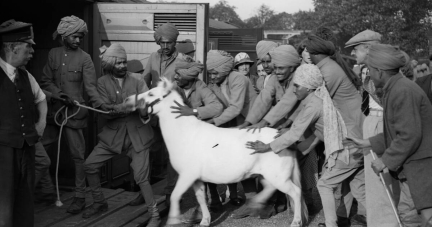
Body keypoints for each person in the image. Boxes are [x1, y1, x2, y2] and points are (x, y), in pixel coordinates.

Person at [346, 43, 432, 227]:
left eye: (369, 70)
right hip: (413, 166)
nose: (368, 74)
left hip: (419, 168)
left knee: (412, 218)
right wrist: (367, 142)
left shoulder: (402, 90)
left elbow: (409, 135)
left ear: (379, 71)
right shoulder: (396, 87)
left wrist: (385, 160)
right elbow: (397, 132)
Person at [82, 44, 160, 226]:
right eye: (118, 63)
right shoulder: (101, 83)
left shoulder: (138, 79)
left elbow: (145, 106)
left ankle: (154, 215)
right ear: (110, 64)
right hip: (113, 137)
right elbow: (105, 110)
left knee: (142, 177)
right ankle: (100, 202)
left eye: (124, 62)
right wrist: (125, 107)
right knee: (89, 166)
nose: (123, 66)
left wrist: (141, 110)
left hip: (138, 136)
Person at [40, 15, 105, 214]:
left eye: (80, 37)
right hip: (53, 112)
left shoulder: (85, 58)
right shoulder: (53, 53)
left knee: (78, 157)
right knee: (40, 151)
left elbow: (91, 88)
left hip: (75, 114)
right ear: (65, 35)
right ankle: (46, 189)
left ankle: (79, 197)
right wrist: (60, 95)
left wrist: (102, 106)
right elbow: (45, 81)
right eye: (74, 36)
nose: (78, 40)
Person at [0, 19, 47, 227]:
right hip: (4, 150)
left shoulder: (27, 76)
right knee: (5, 201)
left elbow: (41, 99)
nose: (31, 53)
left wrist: (41, 123)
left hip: (27, 147)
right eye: (28, 48)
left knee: (25, 199)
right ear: (12, 48)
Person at [169, 55, 224, 223]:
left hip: (202, 135)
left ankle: (206, 206)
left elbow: (217, 107)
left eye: (178, 74)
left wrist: (193, 112)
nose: (175, 76)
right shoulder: (174, 87)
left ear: (188, 75)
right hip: (182, 137)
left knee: (203, 171)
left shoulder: (201, 87)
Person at [139, 23, 185, 207]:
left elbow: (187, 87)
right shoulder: (153, 57)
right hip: (154, 117)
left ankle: (171, 194)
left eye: (169, 43)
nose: (165, 47)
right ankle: (144, 192)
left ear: (175, 42)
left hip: (173, 117)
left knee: (171, 156)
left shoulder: (183, 59)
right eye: (162, 43)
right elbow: (144, 82)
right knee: (146, 152)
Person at [206, 49, 257, 211]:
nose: (212, 77)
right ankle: (233, 197)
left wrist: (213, 121)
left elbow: (235, 108)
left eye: (214, 73)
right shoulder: (217, 82)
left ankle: (253, 202)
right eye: (210, 74)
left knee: (246, 163)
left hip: (250, 124)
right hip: (233, 125)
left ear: (223, 69)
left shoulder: (238, 79)